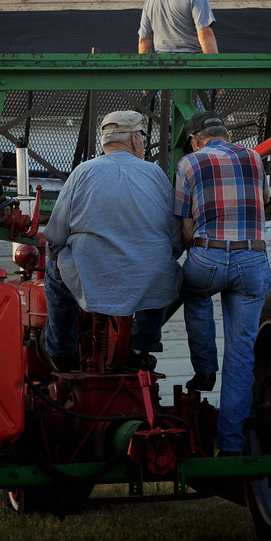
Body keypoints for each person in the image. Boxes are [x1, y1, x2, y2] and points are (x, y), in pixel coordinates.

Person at [40, 110, 184, 373]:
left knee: (53, 271)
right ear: (135, 141)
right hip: (147, 277)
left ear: (105, 142)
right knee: (166, 273)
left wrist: (55, 253)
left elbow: (55, 235)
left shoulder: (82, 172)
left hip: (91, 274)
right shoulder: (156, 175)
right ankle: (141, 346)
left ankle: (61, 351)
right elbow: (176, 239)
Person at [174, 111, 271, 456]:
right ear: (226, 135)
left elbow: (185, 229)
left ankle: (204, 369)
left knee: (194, 291)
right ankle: (231, 446)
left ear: (196, 140)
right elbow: (265, 201)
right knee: (242, 355)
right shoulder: (255, 158)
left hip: (209, 256)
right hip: (252, 259)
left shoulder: (189, 163)